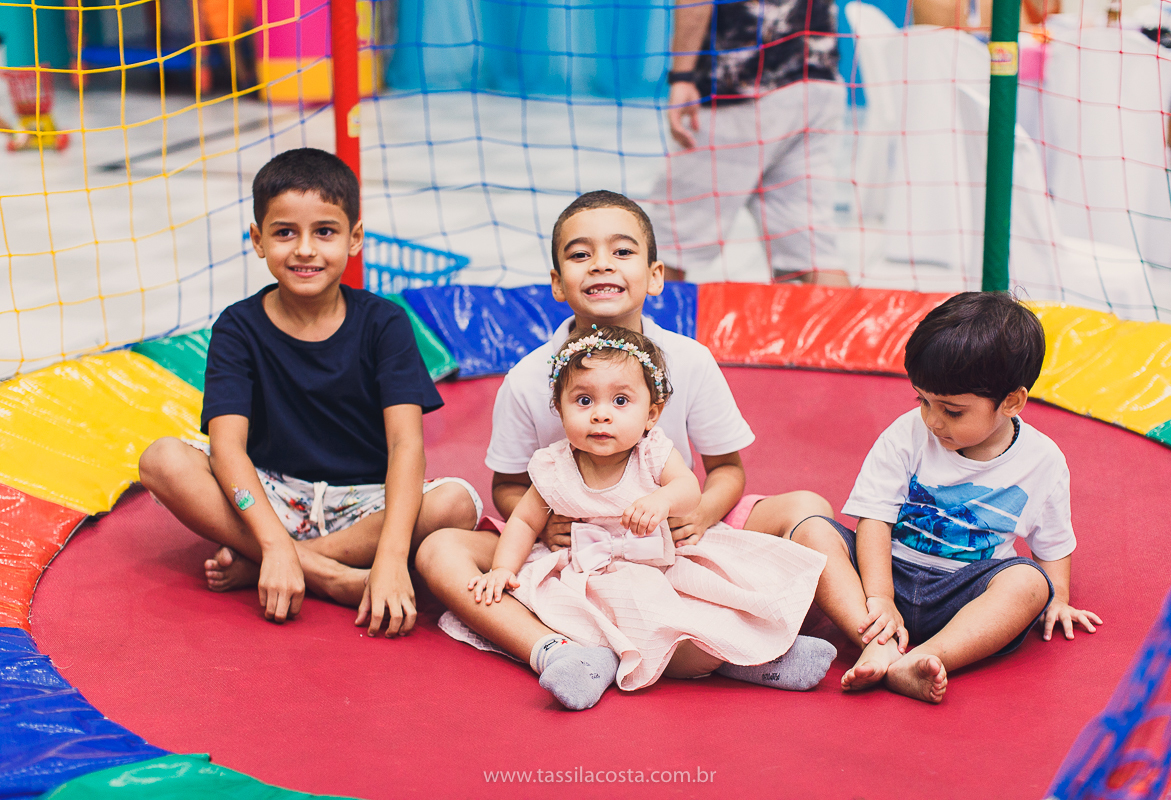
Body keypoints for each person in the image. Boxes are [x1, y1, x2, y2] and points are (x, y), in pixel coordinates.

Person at [416, 190, 835, 709]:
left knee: (809, 511)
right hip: (573, 546)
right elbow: (508, 487)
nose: (600, 265)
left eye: (621, 251)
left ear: (656, 275)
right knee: (439, 551)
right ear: (556, 283)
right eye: (579, 254)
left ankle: (773, 642)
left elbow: (727, 470)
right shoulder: (527, 378)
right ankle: (555, 650)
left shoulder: (690, 360)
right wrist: (544, 526)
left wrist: (696, 515)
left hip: (670, 530)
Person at [138, 147, 482, 635]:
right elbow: (227, 446)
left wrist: (389, 557)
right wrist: (274, 543)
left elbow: (407, 445)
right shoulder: (237, 327)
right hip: (269, 495)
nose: (304, 249)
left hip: (365, 503)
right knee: (162, 459)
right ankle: (323, 573)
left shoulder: (384, 323)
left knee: (456, 503)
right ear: (257, 240)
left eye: (324, 232)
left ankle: (284, 561)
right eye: (284, 233)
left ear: (354, 238)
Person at [469, 325, 834, 708]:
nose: (601, 415)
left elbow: (689, 487)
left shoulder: (652, 454)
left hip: (660, 567)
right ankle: (594, 666)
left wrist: (663, 500)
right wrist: (502, 568)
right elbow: (525, 521)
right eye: (583, 401)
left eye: (621, 401)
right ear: (559, 410)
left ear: (651, 414)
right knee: (579, 621)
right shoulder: (554, 466)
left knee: (700, 612)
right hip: (589, 578)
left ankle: (756, 656)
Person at [790, 292, 1102, 704]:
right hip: (883, 574)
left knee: (1028, 582)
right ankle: (878, 639)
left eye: (953, 411)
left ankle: (925, 658)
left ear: (1011, 402)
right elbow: (875, 519)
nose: (933, 420)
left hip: (962, 595)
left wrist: (1058, 599)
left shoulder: (1042, 460)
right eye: (922, 400)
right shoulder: (907, 433)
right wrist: (880, 599)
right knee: (811, 532)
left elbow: (1054, 544)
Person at [647, 0, 850, 285]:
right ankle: (844, 330)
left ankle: (635, 331)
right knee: (810, 253)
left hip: (740, 84)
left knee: (665, 250)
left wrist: (682, 76)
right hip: (818, 81)